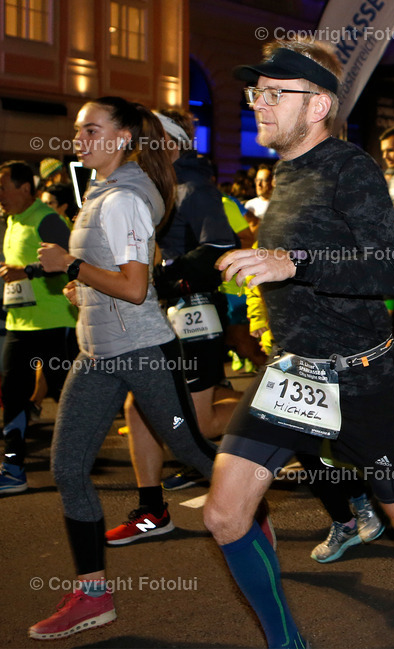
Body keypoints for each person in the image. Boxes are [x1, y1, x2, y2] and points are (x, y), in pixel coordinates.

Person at [209, 39, 394, 649]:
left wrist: (297, 262)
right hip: (293, 375)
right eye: (254, 93)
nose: (257, 104)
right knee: (225, 513)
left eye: (272, 92)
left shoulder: (351, 168)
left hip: (362, 379)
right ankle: (288, 643)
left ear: (318, 105)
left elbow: (390, 272)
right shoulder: (286, 173)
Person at [29, 96, 218, 639]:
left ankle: (251, 519)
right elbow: (112, 275)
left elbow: (136, 289)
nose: (79, 140)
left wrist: (71, 264)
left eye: (92, 130)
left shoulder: (125, 198)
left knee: (193, 450)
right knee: (68, 469)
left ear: (121, 139)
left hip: (143, 351)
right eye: (77, 130)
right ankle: (93, 596)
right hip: (98, 355)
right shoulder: (102, 191)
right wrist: (81, 281)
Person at [102, 109, 241, 544]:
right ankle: (152, 510)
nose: (140, 147)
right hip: (157, 315)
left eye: (150, 140)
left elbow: (221, 247)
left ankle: (278, 418)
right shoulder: (149, 186)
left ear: (174, 144)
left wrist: (164, 276)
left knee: (196, 426)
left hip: (194, 311)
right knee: (137, 408)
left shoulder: (194, 186)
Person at [0, 161, 78, 494]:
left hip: (55, 323)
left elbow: (71, 259)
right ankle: (13, 468)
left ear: (24, 189)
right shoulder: (11, 221)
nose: (0, 195)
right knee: (13, 394)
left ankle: (76, 463)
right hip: (19, 324)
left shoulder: (46, 219)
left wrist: (26, 270)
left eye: (4, 187)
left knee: (69, 396)